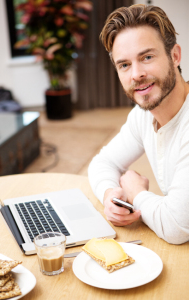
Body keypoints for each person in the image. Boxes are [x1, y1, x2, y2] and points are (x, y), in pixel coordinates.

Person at [88, 4, 189, 244]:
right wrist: (110, 195)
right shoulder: (142, 116)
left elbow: (176, 226)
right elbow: (103, 163)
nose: (136, 74)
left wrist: (136, 193)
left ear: (174, 56)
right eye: (124, 64)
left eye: (147, 57)